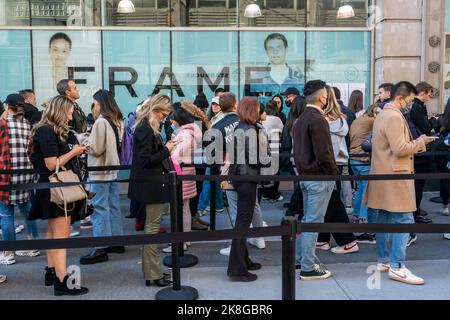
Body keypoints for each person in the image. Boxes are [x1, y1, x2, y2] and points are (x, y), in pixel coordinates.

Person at [365, 81, 437, 285]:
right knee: (404, 220)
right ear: (400, 98)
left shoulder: (382, 114)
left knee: (385, 219)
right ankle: (397, 266)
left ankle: (384, 261)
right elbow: (400, 148)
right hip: (395, 177)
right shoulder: (394, 116)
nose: (410, 104)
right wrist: (420, 142)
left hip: (384, 175)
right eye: (409, 100)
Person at [29, 95, 89, 296]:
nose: (72, 115)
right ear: (60, 111)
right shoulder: (47, 131)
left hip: (51, 188)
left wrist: (75, 149)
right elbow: (51, 163)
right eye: (70, 111)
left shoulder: (46, 130)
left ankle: (53, 271)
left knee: (54, 232)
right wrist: (75, 152)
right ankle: (62, 281)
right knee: (61, 236)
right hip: (56, 189)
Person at [128, 94, 176, 287]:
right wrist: (167, 149)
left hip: (150, 184)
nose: (165, 118)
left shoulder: (146, 127)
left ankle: (152, 271)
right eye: (163, 114)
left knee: (151, 228)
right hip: (151, 184)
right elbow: (146, 160)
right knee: (152, 229)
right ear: (155, 111)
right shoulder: (146, 129)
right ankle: (152, 274)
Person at [293, 80, 337, 280]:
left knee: (307, 220)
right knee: (313, 222)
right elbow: (324, 153)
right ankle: (308, 266)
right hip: (319, 177)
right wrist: (333, 173)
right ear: (322, 97)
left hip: (305, 176)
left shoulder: (301, 118)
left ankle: (302, 260)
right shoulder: (318, 119)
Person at [80, 90, 125, 265]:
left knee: (99, 208)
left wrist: (85, 142)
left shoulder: (100, 122)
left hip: (100, 170)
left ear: (100, 103)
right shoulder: (117, 120)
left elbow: (96, 149)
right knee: (113, 206)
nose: (94, 106)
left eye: (95, 102)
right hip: (112, 169)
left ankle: (100, 247)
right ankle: (116, 242)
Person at [227, 97, 269, 282]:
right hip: (247, 178)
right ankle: (237, 268)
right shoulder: (250, 130)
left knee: (242, 220)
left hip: (240, 177)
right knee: (243, 222)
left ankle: (243, 260)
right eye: (259, 108)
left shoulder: (241, 127)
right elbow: (256, 158)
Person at [316, 86, 359, 254]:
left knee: (332, 203)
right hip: (336, 165)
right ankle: (323, 239)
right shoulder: (338, 119)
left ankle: (348, 241)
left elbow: (329, 149)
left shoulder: (327, 122)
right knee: (327, 203)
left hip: (330, 166)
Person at [0, 94, 40, 267]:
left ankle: (8, 252)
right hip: (25, 174)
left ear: (7, 106)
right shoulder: (26, 124)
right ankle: (32, 245)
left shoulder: (2, 124)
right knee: (27, 209)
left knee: (6, 214)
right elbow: (30, 149)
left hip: (6, 175)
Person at [162, 103, 203, 253]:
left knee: (179, 209)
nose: (171, 122)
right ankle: (186, 239)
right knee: (185, 208)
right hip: (187, 172)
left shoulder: (184, 135)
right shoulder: (190, 133)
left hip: (180, 174)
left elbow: (176, 156)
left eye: (172, 120)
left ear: (179, 120)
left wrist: (169, 149)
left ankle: (180, 242)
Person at [349, 103, 379, 244]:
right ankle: (364, 218)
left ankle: (356, 215)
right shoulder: (373, 121)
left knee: (360, 188)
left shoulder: (358, 119)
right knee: (367, 190)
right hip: (364, 159)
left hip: (353, 158)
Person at [408, 81, 434, 225]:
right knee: (418, 184)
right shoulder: (417, 107)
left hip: (416, 150)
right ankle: (415, 212)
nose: (428, 99)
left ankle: (415, 211)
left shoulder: (413, 105)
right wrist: (433, 122)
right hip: (420, 151)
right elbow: (425, 127)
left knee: (417, 184)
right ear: (423, 93)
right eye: (428, 95)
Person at [252, 33, 304, 103]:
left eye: (279, 47)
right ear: (266, 52)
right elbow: (249, 110)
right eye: (271, 48)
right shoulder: (255, 79)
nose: (275, 52)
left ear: (286, 49)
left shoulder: (300, 79)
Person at [261, 100, 284, 202]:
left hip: (264, 147)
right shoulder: (277, 119)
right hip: (275, 148)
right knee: (276, 173)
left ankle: (265, 193)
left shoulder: (263, 119)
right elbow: (282, 131)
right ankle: (274, 194)